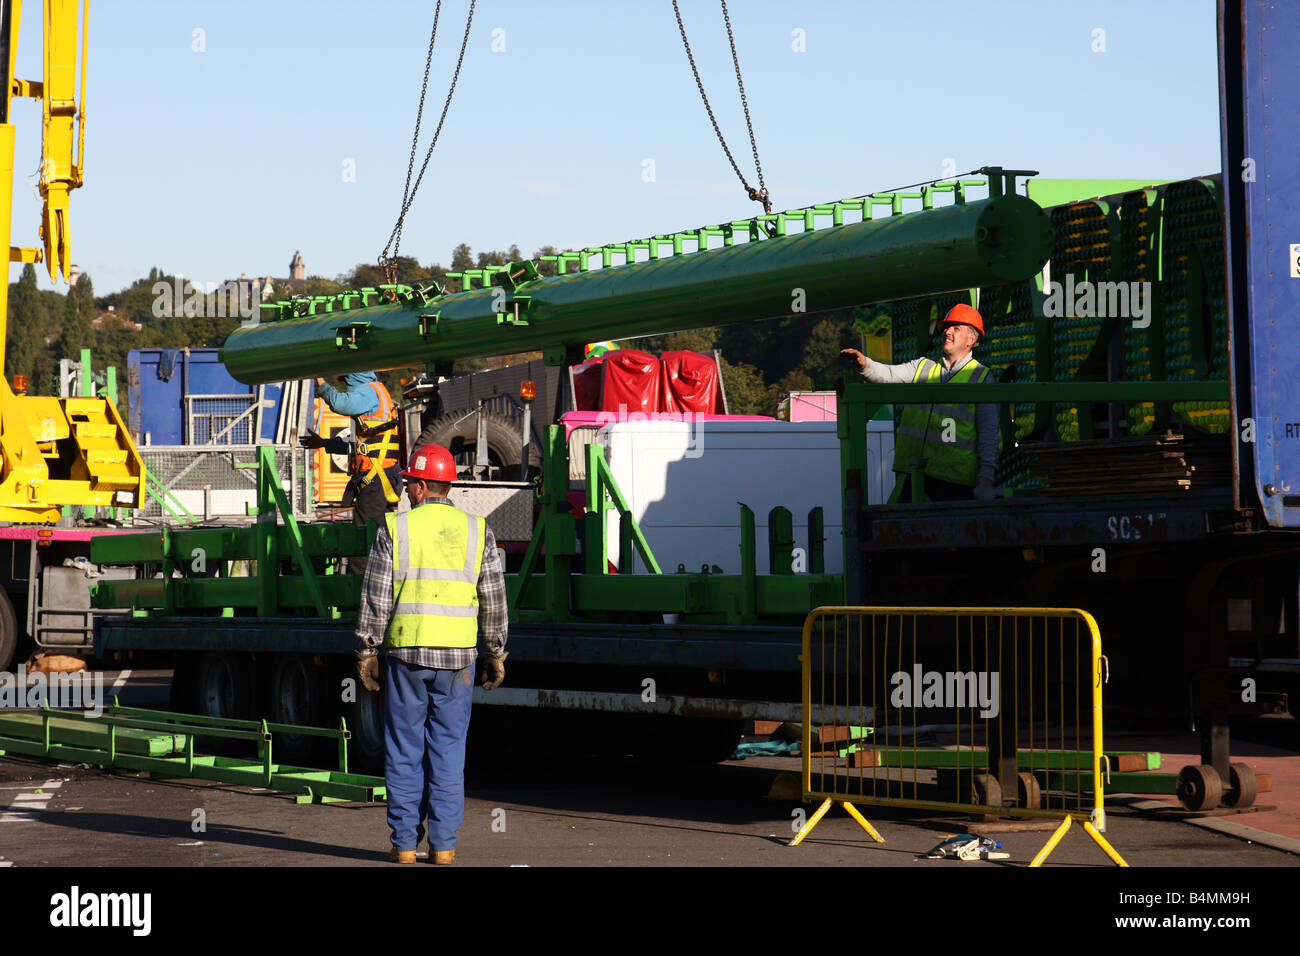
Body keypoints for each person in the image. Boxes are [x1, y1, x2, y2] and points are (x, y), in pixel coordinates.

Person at [354, 443, 508, 865]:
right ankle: (444, 847)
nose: (404, 491)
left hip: (406, 654)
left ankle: (404, 845)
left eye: (408, 484)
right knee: (448, 751)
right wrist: (496, 651)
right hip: (458, 658)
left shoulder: (395, 530)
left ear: (422, 486)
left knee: (404, 750)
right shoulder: (479, 530)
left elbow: (377, 595)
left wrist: (367, 648)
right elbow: (494, 597)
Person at [841, 303, 997, 502]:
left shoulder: (981, 377)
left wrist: (986, 479)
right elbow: (888, 374)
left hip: (955, 484)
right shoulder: (923, 366)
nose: (947, 332)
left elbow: (989, 433)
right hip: (916, 476)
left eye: (956, 328)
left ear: (971, 339)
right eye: (946, 327)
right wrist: (865, 364)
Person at [300, 371, 404, 527]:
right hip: (380, 476)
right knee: (379, 529)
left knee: (368, 531)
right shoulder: (375, 393)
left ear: (355, 379)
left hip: (377, 477)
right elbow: (360, 448)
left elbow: (341, 404)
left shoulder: (368, 391)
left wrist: (321, 383)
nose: (347, 388)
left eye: (347, 383)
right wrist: (325, 443)